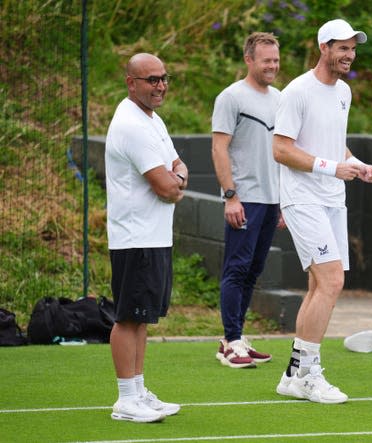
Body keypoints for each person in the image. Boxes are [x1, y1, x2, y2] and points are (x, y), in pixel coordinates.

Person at [272, 18, 372, 404]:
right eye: (342, 48)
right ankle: (309, 374)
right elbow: (281, 150)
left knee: (320, 286)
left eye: (353, 48)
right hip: (303, 199)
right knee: (332, 282)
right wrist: (331, 168)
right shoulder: (297, 92)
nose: (349, 55)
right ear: (324, 48)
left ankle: (294, 373)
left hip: (334, 198)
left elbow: (336, 145)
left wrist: (357, 163)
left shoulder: (344, 92)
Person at [105, 53, 187, 422]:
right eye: (151, 79)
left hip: (154, 237)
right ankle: (125, 400)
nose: (160, 85)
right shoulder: (131, 124)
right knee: (127, 318)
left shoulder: (153, 119)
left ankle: (138, 390)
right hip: (134, 238)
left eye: (163, 78)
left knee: (142, 318)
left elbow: (178, 167)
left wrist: (176, 179)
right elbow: (167, 186)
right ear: (131, 83)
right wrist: (175, 181)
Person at [211, 32, 283, 369]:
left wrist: (283, 201)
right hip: (244, 199)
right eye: (266, 60)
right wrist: (230, 196)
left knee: (253, 270)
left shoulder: (281, 99)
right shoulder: (230, 97)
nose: (273, 65)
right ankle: (231, 342)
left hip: (271, 201)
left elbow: (282, 153)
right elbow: (219, 147)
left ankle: (234, 338)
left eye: (276, 60)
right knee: (236, 269)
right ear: (249, 60)